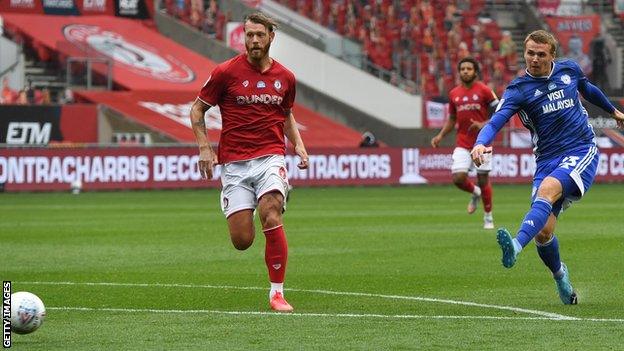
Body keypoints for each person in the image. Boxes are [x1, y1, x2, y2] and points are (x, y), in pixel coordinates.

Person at [471, 30, 624, 304]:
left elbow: (587, 89)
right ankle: (560, 276)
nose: (534, 59)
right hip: (547, 160)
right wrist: (481, 143)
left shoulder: (569, 70)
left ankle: (516, 246)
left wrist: (612, 111)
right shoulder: (518, 90)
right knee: (543, 232)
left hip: (580, 149)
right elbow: (496, 121)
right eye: (530, 53)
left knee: (548, 190)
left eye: (541, 54)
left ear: (553, 55)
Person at [189, 12, 309, 312]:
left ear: (271, 36)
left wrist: (299, 144)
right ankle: (254, 203)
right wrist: (204, 147)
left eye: (259, 35)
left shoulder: (286, 78)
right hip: (234, 164)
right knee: (242, 240)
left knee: (270, 212)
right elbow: (196, 110)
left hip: (270, 156)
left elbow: (286, 114)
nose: (254, 40)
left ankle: (277, 294)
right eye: (249, 34)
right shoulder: (225, 72)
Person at [431, 57, 499, 229]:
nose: (466, 71)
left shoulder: (484, 90)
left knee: (483, 179)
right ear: (459, 72)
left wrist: (483, 125)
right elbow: (452, 118)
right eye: (463, 69)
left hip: (483, 142)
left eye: (469, 68)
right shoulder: (454, 93)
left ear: (475, 71)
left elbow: (499, 112)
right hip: (462, 142)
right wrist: (440, 136)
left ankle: (488, 217)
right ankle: (475, 192)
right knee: (458, 178)